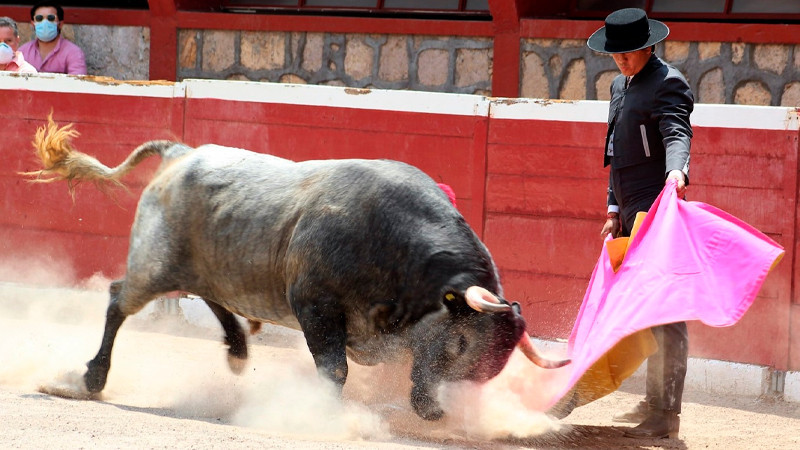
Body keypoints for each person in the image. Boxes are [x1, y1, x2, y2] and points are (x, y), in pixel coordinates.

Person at [587, 8, 693, 439]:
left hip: (657, 210)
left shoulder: (668, 81)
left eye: (629, 52)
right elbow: (617, 154)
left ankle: (665, 414)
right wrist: (613, 209)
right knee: (644, 310)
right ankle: (653, 401)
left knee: (665, 311)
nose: (621, 60)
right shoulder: (619, 85)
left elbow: (677, 133)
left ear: (649, 47)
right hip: (630, 212)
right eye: (616, 54)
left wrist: (676, 172)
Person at [19, 2, 86, 75]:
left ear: (60, 24)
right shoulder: (23, 52)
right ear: (33, 24)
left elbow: (77, 80)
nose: (44, 22)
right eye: (39, 18)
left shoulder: (73, 52)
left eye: (50, 18)